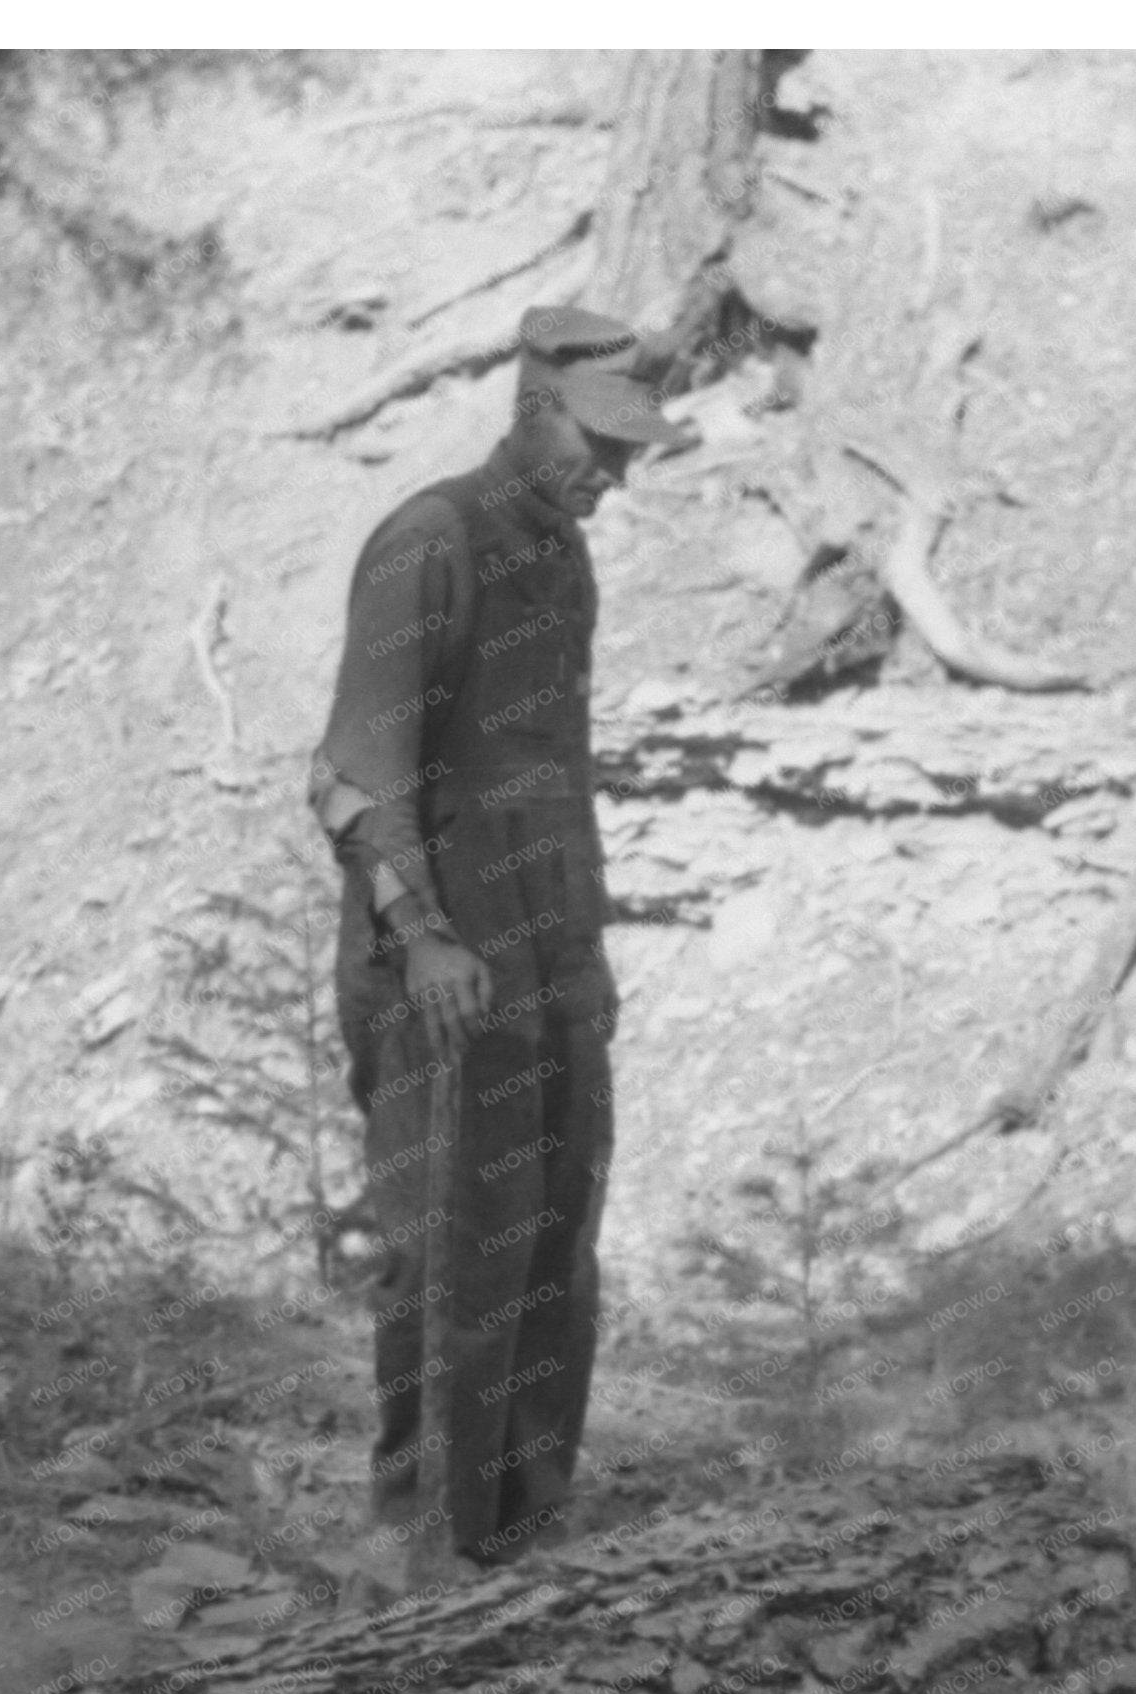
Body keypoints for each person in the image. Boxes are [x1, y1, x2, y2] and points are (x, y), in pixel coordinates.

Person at [310, 307, 693, 1578]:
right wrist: (422, 936)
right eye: (599, 441)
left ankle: (524, 1537)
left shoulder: (560, 556)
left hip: (546, 959)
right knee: (447, 1250)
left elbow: (551, 774)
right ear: (533, 410)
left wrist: (585, 954)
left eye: (629, 449)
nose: (614, 472)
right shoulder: (434, 540)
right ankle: (419, 1544)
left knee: (548, 1242)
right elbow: (354, 776)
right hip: (442, 967)